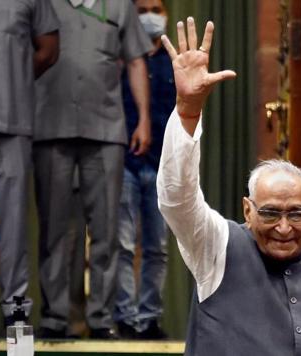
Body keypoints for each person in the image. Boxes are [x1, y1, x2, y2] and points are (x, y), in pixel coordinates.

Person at [157, 18, 301, 355]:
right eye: (271, 213)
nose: (284, 227)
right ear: (247, 209)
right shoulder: (216, 248)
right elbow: (177, 198)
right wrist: (188, 110)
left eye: (296, 214)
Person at [32, 0, 153, 339]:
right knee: (54, 230)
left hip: (105, 131)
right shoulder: (43, 4)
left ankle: (101, 318)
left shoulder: (119, 5)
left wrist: (142, 118)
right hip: (50, 128)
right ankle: (56, 317)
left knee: (106, 231)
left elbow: (135, 60)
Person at [0, 0, 59, 327]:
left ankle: (17, 325)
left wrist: (15, 77)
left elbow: (49, 49)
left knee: (13, 231)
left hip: (11, 124)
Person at [113, 0, 175, 340]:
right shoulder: (120, 62)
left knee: (157, 247)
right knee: (121, 245)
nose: (150, 15)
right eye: (142, 10)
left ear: (165, 15)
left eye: (156, 8)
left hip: (163, 166)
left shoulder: (175, 62)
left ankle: (149, 319)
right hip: (124, 162)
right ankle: (125, 318)